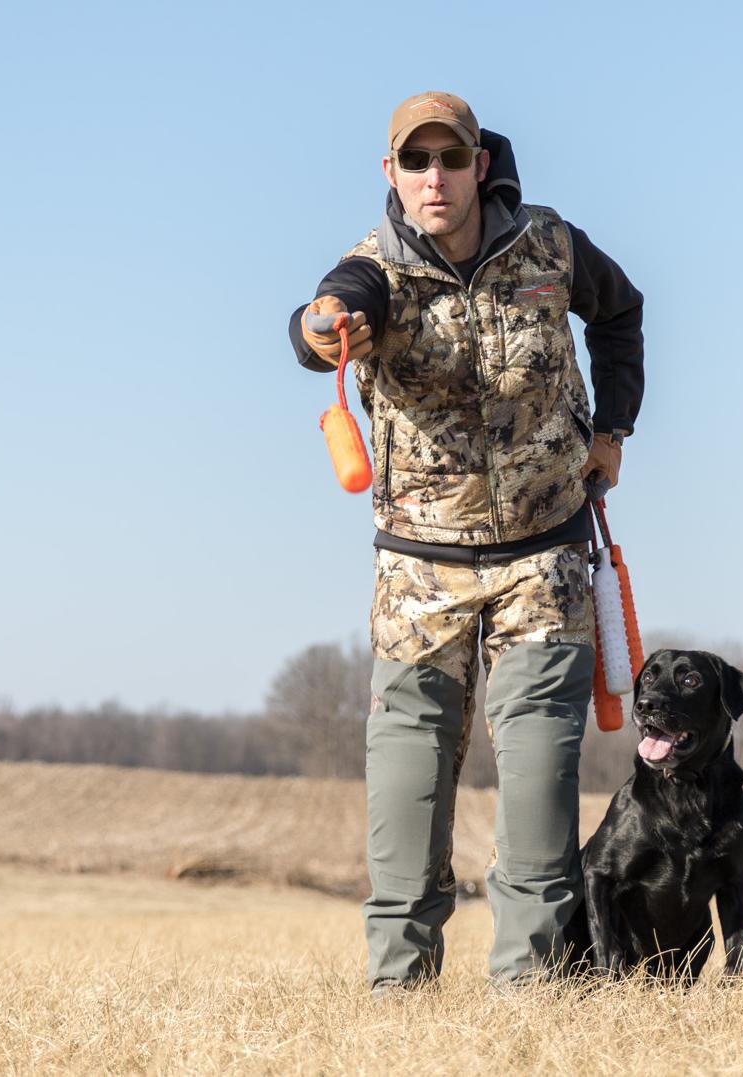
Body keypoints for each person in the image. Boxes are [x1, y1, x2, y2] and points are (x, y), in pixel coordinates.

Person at [287, 91, 644, 989]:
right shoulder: (370, 272)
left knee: (537, 785)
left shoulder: (550, 246)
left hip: (544, 560)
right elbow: (321, 320)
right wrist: (323, 324)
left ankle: (530, 992)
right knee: (406, 795)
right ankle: (398, 992)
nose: (434, 178)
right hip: (420, 575)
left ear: (481, 164)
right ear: (392, 174)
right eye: (417, 162)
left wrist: (613, 432)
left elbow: (622, 312)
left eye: (451, 159)